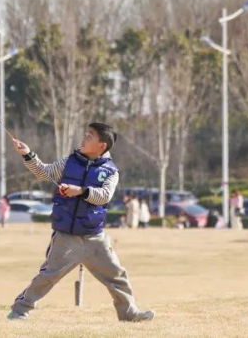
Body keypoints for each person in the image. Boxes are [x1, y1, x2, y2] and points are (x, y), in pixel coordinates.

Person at [8, 122, 154, 323]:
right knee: (48, 275)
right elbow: (44, 172)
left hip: (95, 237)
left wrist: (80, 191)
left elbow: (104, 196)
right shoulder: (69, 161)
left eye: (90, 136)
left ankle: (129, 313)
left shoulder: (111, 171)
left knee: (117, 276)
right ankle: (19, 310)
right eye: (85, 134)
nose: (84, 138)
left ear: (102, 145)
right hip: (66, 237)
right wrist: (27, 154)